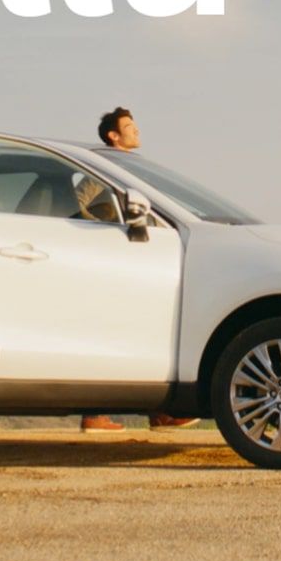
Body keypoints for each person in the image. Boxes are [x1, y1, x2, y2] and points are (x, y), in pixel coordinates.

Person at [76, 106, 200, 434]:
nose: (137, 130)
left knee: (144, 331)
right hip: (113, 259)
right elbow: (79, 201)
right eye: (129, 126)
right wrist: (100, 234)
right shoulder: (103, 164)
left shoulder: (126, 165)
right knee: (115, 331)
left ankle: (159, 411)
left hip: (136, 254)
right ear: (113, 135)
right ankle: (97, 415)